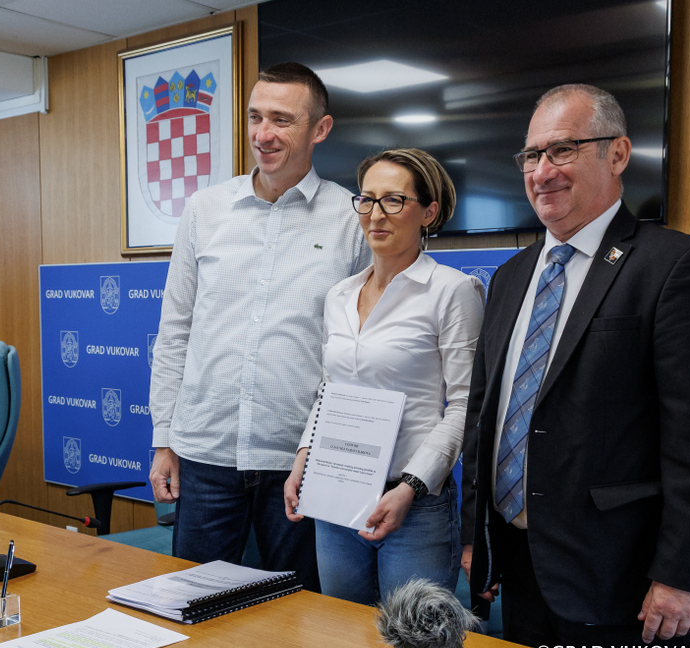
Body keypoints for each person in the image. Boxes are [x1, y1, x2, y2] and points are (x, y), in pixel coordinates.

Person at [459, 84, 690, 648]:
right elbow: (484, 417)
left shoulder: (675, 266)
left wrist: (682, 575)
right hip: (523, 568)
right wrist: (476, 539)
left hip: (627, 583)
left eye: (562, 150)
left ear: (617, 154)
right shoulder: (510, 276)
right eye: (531, 155)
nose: (541, 172)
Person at [149, 63, 370, 592]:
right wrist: (164, 440)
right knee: (193, 608)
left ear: (320, 129)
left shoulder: (352, 220)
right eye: (255, 117)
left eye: (281, 120)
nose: (263, 134)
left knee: (302, 617)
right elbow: (175, 330)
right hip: (204, 453)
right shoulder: (204, 210)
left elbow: (358, 355)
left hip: (301, 462)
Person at [283, 148, 484, 605]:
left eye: (394, 200)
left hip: (415, 507)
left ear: (428, 212)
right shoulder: (339, 295)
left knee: (413, 640)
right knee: (339, 635)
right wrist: (303, 460)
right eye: (367, 199)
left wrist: (411, 487)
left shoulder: (453, 291)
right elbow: (329, 392)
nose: (375, 214)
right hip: (336, 494)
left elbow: (465, 407)